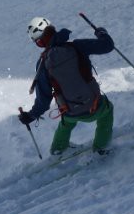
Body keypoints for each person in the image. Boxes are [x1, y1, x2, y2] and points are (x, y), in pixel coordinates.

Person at [18, 16, 115, 155]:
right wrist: (102, 33)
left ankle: (58, 149)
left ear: (40, 43)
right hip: (95, 106)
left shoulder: (42, 65)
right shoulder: (77, 46)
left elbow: (44, 101)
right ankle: (101, 147)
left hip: (70, 113)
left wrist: (31, 115)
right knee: (107, 111)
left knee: (66, 122)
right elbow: (107, 46)